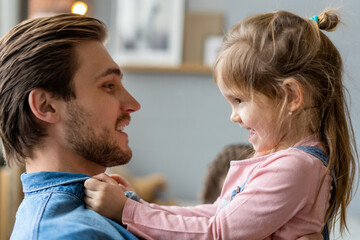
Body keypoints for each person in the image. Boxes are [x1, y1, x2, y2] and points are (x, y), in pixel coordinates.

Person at [84, 9, 358, 239]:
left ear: (291, 96)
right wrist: (138, 205)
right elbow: (216, 213)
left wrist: (127, 212)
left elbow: (217, 232)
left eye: (240, 100)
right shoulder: (286, 160)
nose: (234, 116)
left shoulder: (296, 167)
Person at [0, 14, 141, 239]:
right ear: (46, 106)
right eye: (108, 85)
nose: (133, 104)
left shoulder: (110, 208)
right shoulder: (69, 234)